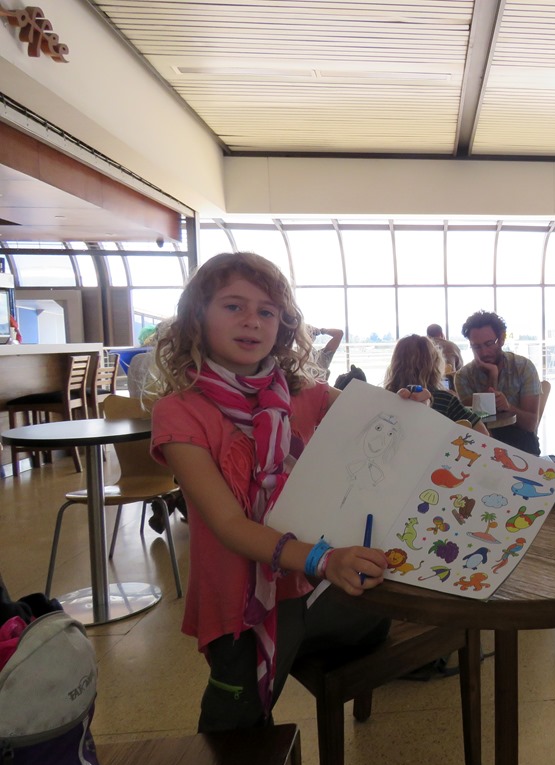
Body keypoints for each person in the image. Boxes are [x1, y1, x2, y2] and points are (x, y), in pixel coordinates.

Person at [147, 252, 426, 732]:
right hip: (241, 600)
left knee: (379, 608)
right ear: (197, 316)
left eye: (267, 311)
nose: (252, 320)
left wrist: (408, 407)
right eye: (233, 306)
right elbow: (230, 525)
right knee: (233, 730)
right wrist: (324, 559)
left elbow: (381, 419)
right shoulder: (179, 412)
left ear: (282, 326)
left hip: (313, 588)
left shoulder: (306, 393)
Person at [455, 310, 542, 455]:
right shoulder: (463, 376)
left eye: (489, 344)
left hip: (521, 442)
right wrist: (493, 375)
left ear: (501, 339)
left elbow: (530, 424)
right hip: (482, 442)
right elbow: (478, 419)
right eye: (476, 347)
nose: (484, 352)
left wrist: (508, 407)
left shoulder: (523, 367)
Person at [383, 334, 488, 435]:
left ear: (394, 365)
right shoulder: (445, 400)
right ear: (435, 365)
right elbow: (483, 433)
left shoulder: (384, 399)